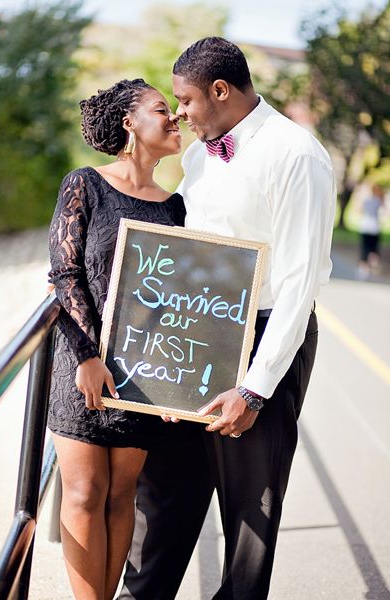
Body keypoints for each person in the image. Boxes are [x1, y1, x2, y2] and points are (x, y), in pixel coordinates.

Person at [120, 38, 336, 600]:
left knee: (249, 508)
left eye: (186, 100)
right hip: (194, 335)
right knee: (165, 488)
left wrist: (256, 389)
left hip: (264, 337)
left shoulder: (296, 155)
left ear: (220, 91)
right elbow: (181, 253)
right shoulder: (198, 154)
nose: (181, 113)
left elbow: (298, 287)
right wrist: (163, 361)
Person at [48, 78, 187, 600]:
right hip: (83, 365)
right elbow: (64, 274)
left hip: (143, 372)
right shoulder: (85, 183)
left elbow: (179, 303)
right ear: (130, 123)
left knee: (121, 495)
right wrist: (86, 354)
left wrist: (182, 385)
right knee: (84, 493)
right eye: (161, 109)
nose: (174, 117)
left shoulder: (176, 206)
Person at [358, 183, 385, 279]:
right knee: (373, 249)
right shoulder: (378, 201)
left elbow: (360, 210)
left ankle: (363, 269)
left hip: (365, 227)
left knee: (365, 248)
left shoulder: (367, 200)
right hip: (374, 228)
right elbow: (384, 210)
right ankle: (372, 267)